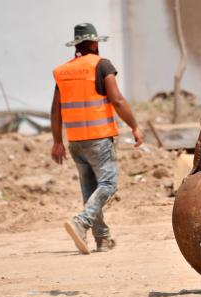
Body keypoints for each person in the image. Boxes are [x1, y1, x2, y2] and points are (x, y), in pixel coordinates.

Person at [50, 23, 143, 254]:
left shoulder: (63, 72)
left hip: (75, 141)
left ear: (76, 45)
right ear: (93, 43)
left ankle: (102, 239)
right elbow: (118, 100)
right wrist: (134, 126)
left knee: (90, 189)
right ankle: (81, 222)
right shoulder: (102, 65)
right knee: (109, 185)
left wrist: (57, 141)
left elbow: (55, 110)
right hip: (100, 138)